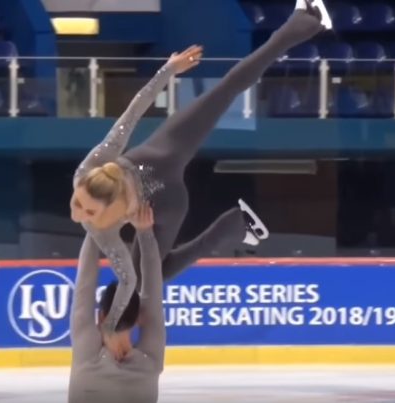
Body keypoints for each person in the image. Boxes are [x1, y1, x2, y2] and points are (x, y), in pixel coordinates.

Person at [69, 0, 332, 354]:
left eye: (83, 208)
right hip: (168, 204)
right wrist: (144, 239)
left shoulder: (93, 173)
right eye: (80, 207)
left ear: (107, 199)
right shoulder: (98, 213)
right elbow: (131, 280)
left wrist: (168, 70)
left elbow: (131, 116)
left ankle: (304, 20)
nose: (77, 215)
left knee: (225, 89)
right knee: (149, 277)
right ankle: (231, 227)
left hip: (163, 154)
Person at [68, 205, 165, 403]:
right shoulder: (150, 362)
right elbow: (153, 298)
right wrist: (145, 233)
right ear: (139, 318)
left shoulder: (88, 356)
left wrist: (97, 226)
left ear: (101, 316)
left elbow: (84, 286)